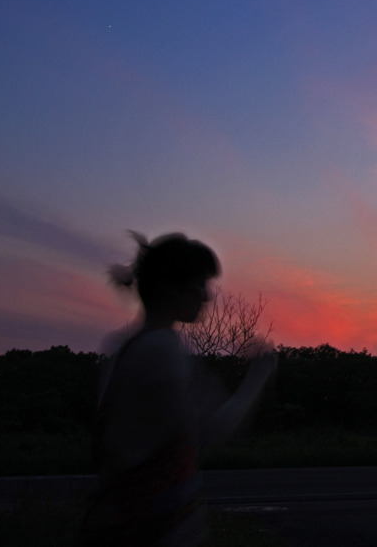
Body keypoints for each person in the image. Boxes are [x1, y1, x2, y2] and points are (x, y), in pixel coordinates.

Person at [83, 232, 277, 546]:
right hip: (156, 532)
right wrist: (258, 376)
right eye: (200, 284)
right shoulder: (161, 349)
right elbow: (210, 431)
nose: (207, 297)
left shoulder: (125, 346)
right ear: (169, 287)